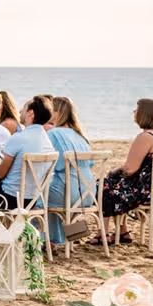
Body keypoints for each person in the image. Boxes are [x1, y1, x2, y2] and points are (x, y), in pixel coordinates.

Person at [99, 98, 153, 244]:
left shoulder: (145, 137)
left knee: (104, 185)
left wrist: (113, 172)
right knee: (116, 185)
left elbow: (130, 169)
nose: (134, 112)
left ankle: (103, 234)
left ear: (144, 114)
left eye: (137, 110)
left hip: (148, 194)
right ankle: (122, 232)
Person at [46, 96, 94, 246]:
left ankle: (50, 239)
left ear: (57, 112)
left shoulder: (53, 134)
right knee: (53, 186)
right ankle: (66, 235)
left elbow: (53, 165)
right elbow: (90, 163)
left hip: (68, 195)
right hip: (88, 193)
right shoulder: (81, 136)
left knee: (37, 193)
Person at [0, 96, 55, 210]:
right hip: (32, 200)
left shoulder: (19, 138)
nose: (20, 111)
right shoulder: (48, 143)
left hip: (9, 198)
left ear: (30, 113)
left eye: (24, 108)